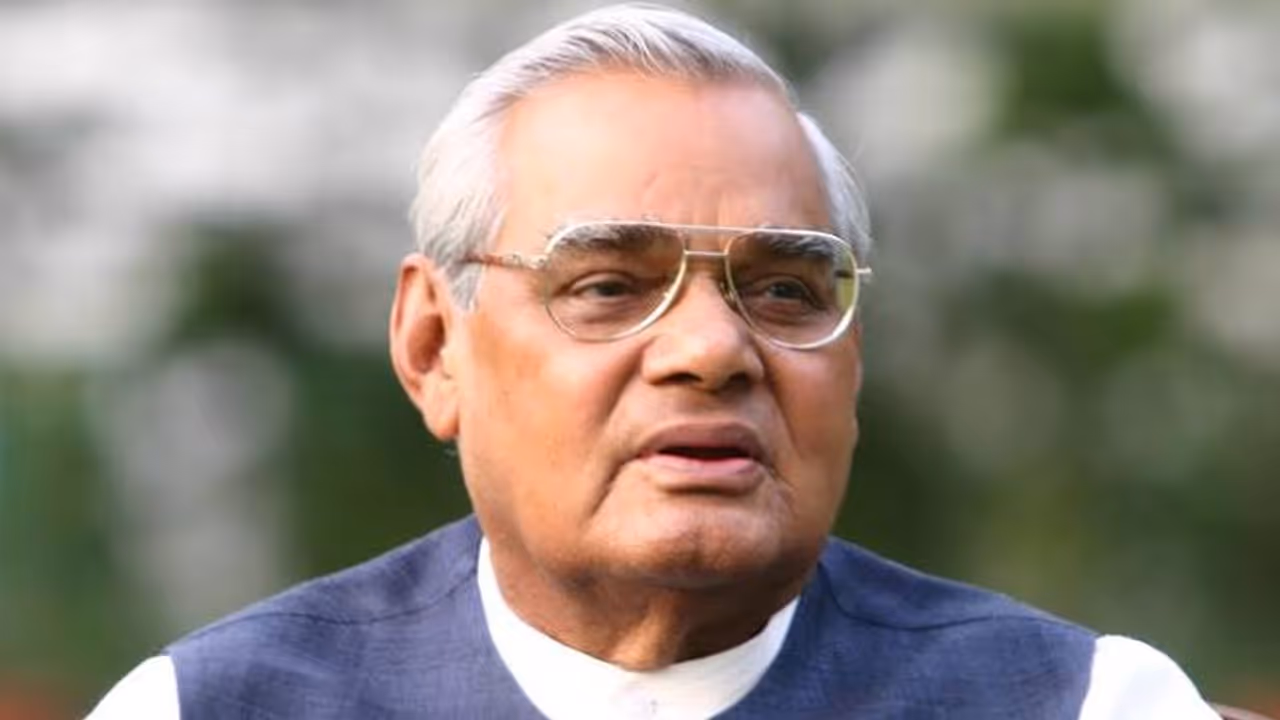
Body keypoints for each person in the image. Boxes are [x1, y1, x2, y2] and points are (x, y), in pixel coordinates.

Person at [89, 4, 1220, 719]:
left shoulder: (1079, 704)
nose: (711, 350)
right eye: (606, 286)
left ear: (852, 362)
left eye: (784, 290)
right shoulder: (210, 707)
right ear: (434, 347)